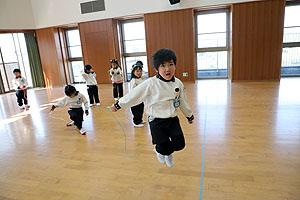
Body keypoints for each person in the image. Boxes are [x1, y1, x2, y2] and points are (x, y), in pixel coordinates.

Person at [110, 49, 194, 167]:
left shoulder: (178, 83)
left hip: (173, 120)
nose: (168, 69)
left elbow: (182, 101)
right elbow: (134, 95)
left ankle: (166, 152)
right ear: (156, 69)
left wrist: (189, 115)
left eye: (171, 64)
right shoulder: (151, 83)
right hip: (157, 121)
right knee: (163, 146)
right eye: (163, 66)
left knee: (180, 144)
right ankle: (162, 152)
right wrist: (118, 104)